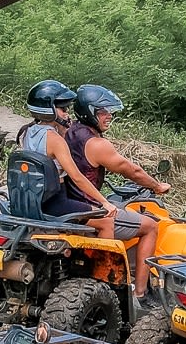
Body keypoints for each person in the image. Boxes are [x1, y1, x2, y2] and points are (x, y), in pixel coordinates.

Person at [62, 85, 173, 299]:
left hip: (69, 203)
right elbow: (131, 170)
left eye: (109, 111)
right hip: (90, 208)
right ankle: (139, 294)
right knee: (150, 226)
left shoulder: (70, 132)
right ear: (90, 113)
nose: (109, 116)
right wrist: (157, 186)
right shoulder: (96, 144)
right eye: (103, 112)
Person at [15, 79, 114, 231]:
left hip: (33, 200)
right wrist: (104, 202)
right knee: (107, 222)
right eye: (63, 109)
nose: (67, 114)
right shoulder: (54, 140)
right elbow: (77, 177)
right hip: (55, 203)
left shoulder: (27, 131)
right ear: (49, 110)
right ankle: (105, 256)